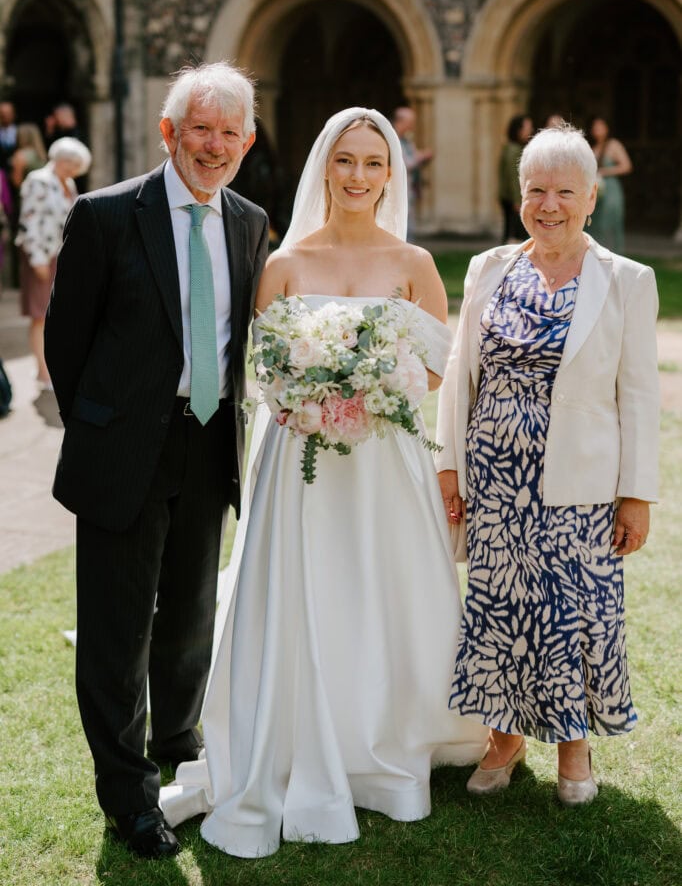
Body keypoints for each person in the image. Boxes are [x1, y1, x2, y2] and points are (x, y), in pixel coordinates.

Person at [160, 107, 487, 857]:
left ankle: (387, 736)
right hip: (298, 461)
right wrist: (310, 396)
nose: (359, 177)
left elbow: (434, 370)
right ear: (324, 167)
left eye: (375, 163)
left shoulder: (414, 264)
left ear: (391, 174)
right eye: (347, 161)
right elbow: (265, 369)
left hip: (383, 461)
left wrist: (368, 390)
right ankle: (296, 735)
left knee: (381, 588)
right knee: (304, 591)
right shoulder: (283, 264)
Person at [44, 62, 269, 859]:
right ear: (169, 133)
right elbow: (67, 343)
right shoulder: (106, 216)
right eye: (200, 129)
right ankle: (129, 796)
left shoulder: (249, 221)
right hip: (123, 447)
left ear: (248, 141)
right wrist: (107, 427)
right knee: (116, 630)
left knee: (189, 616)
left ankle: (180, 745)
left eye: (229, 132)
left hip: (209, 441)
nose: (214, 145)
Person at [436, 123, 659, 806]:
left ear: (592, 198)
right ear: (519, 195)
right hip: (497, 479)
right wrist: (450, 466)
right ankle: (503, 741)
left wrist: (636, 495)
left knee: (572, 617)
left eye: (566, 191)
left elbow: (640, 395)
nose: (549, 204)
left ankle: (573, 748)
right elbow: (459, 372)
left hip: (580, 486)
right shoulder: (489, 268)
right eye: (537, 190)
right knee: (501, 613)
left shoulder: (627, 280)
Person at [15, 137, 91, 387]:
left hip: (61, 256)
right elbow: (29, 221)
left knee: (60, 314)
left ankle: (55, 366)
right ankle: (42, 371)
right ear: (58, 158)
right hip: (41, 256)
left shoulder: (67, 182)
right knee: (40, 315)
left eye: (76, 164)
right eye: (70, 162)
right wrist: (37, 260)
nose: (73, 168)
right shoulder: (38, 180)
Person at [588, 116, 632, 254]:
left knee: (610, 221)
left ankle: (614, 255)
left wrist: (604, 171)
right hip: (596, 189)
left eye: (600, 126)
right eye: (595, 127)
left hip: (611, 189)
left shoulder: (614, 145)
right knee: (596, 223)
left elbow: (626, 166)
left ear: (607, 128)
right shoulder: (593, 147)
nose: (597, 130)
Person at [391, 105, 433, 239]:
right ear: (400, 122)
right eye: (410, 123)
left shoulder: (406, 139)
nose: (412, 127)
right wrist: (421, 157)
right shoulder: (392, 139)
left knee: (409, 225)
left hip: (409, 188)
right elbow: (400, 164)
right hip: (396, 190)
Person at [498, 113, 533, 243]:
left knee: (509, 232)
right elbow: (514, 177)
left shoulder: (510, 147)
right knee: (514, 234)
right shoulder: (514, 150)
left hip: (508, 197)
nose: (530, 130)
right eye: (527, 127)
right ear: (518, 130)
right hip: (513, 198)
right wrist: (518, 200)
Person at [10, 122, 47, 189]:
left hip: (25, 194)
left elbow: (16, 182)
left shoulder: (20, 155)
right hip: (40, 192)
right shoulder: (42, 154)